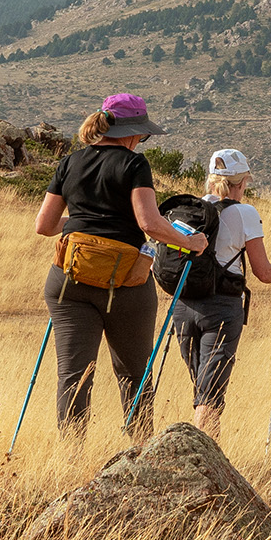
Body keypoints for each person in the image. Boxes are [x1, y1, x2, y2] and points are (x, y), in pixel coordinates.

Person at [33, 94, 207, 438]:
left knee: (73, 373)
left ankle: (69, 457)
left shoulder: (69, 162)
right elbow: (150, 224)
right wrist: (191, 242)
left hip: (70, 279)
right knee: (133, 372)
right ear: (134, 133)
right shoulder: (134, 165)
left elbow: (45, 225)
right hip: (124, 282)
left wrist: (82, 225)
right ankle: (140, 452)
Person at [171, 149, 271, 441]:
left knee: (202, 385)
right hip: (221, 308)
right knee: (210, 393)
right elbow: (263, 272)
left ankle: (199, 451)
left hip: (183, 305)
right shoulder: (244, 213)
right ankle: (206, 461)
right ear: (239, 183)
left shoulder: (192, 209)